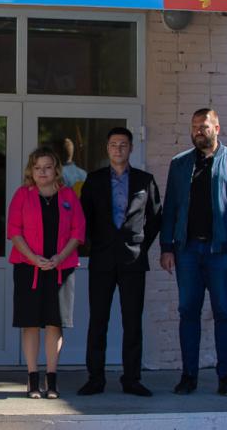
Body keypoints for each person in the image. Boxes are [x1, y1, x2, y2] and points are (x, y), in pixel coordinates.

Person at [160, 108, 227, 397]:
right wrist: (166, 247)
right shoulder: (180, 164)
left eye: (204, 126)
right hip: (187, 250)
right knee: (188, 312)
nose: (199, 131)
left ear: (217, 128)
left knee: (224, 312)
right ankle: (188, 376)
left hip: (222, 251)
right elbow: (170, 207)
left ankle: (226, 378)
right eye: (195, 127)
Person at [78, 128, 162, 397]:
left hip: (132, 260)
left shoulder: (144, 180)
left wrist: (141, 245)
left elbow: (156, 218)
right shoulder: (93, 180)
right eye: (113, 144)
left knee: (132, 322)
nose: (118, 149)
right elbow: (83, 217)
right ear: (107, 148)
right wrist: (93, 244)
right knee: (98, 320)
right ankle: (95, 378)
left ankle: (132, 379)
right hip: (102, 258)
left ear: (131, 148)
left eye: (123, 144)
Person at [7, 147, 85, 399]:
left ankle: (52, 380)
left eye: (47, 167)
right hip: (28, 269)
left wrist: (59, 258)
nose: (42, 172)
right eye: (37, 167)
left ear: (56, 169)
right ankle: (32, 380)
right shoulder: (22, 195)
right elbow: (14, 231)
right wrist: (34, 258)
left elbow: (78, 231)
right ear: (31, 170)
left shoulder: (68, 195)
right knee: (30, 323)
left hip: (61, 268)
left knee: (55, 323)